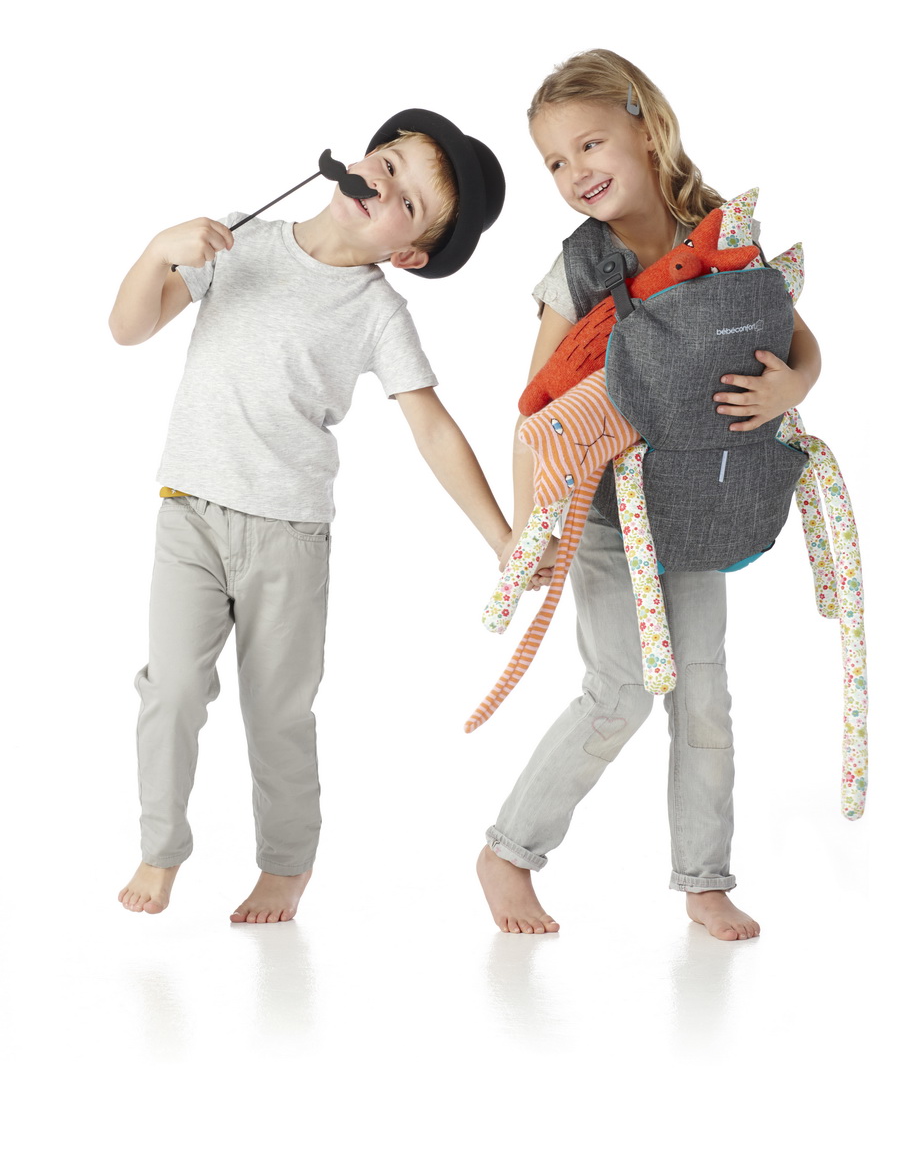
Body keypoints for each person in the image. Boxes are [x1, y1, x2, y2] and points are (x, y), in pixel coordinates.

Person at [112, 108, 510, 923]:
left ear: (409, 252)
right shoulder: (240, 239)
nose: (383, 185)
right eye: (388, 162)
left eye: (407, 199)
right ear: (360, 157)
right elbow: (128, 328)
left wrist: (502, 537)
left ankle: (286, 865)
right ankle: (161, 847)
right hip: (189, 514)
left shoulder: (377, 311)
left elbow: (432, 428)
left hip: (288, 537)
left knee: (278, 713)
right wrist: (157, 250)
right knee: (173, 687)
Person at [476, 51, 821, 941]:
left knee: (704, 691)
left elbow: (799, 340)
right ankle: (510, 851)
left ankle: (705, 879)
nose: (575, 171)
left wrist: (792, 385)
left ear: (646, 125)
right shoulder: (579, 267)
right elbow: (538, 413)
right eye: (555, 161)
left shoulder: (721, 235)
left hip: (696, 506)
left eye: (589, 143)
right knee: (621, 688)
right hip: (600, 512)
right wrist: (531, 529)